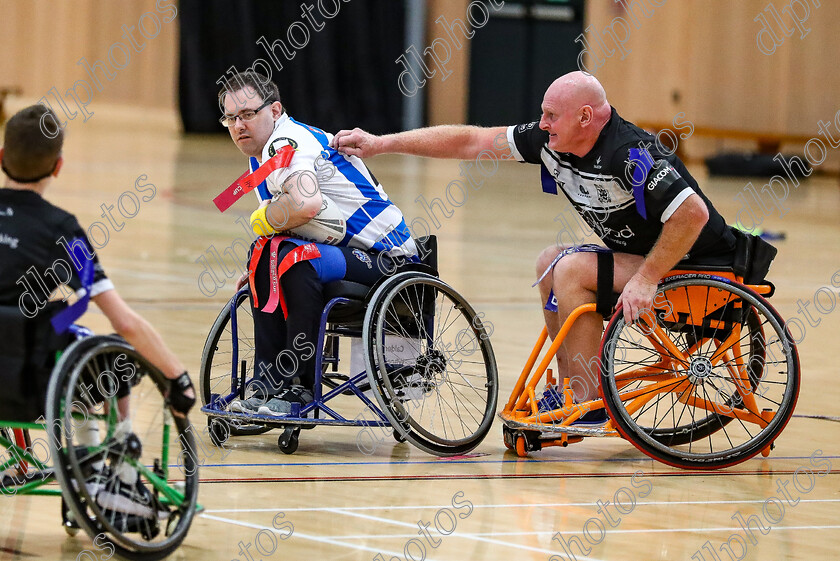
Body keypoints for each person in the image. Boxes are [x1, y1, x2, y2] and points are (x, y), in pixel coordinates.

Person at [332, 71, 737, 424]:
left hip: (704, 268)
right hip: (654, 262)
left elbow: (693, 214)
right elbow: (472, 142)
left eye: (551, 115)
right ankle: (574, 386)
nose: (541, 123)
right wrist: (380, 144)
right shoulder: (550, 141)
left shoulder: (630, 153)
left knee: (572, 270)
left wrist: (648, 279)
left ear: (584, 116)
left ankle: (588, 400)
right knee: (550, 261)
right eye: (542, 114)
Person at [0, 105, 195, 517]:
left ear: (1, 158)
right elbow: (122, 320)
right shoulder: (64, 232)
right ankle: (110, 479)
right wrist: (177, 376)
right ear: (58, 166)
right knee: (111, 355)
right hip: (32, 385)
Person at [218, 71, 418, 416]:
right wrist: (258, 269)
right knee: (264, 255)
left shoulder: (288, 142)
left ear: (275, 110)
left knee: (294, 258)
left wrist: (259, 221)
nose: (239, 125)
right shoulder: (261, 156)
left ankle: (297, 388)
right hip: (344, 251)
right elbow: (283, 229)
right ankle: (268, 382)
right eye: (231, 118)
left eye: (248, 114)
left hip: (388, 258)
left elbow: (305, 206)